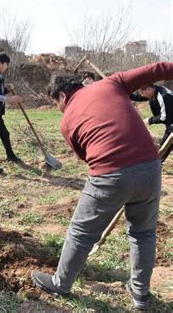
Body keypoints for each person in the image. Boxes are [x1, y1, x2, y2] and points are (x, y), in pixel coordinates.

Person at [31, 62, 173, 311]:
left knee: (81, 232)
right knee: (143, 233)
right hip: (151, 166)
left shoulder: (67, 122)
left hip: (109, 172)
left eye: (56, 104)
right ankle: (140, 294)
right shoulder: (112, 83)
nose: (58, 110)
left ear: (62, 96)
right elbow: (157, 70)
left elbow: (85, 156)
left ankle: (60, 283)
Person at [130, 84, 173, 162]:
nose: (142, 95)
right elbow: (140, 97)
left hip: (171, 125)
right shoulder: (155, 91)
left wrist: (149, 120)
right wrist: (126, 94)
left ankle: (156, 165)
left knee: (163, 150)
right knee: (163, 150)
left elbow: (163, 117)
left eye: (142, 93)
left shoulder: (163, 96)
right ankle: (157, 163)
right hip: (170, 124)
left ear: (148, 89)